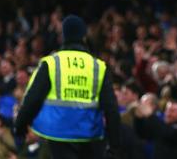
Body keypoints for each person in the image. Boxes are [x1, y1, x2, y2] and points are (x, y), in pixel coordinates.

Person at [14, 15, 121, 159]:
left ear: (63, 37)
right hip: (91, 137)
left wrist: (20, 127)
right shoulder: (98, 66)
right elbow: (111, 109)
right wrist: (114, 147)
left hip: (59, 137)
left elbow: (32, 100)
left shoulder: (52, 63)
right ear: (84, 36)